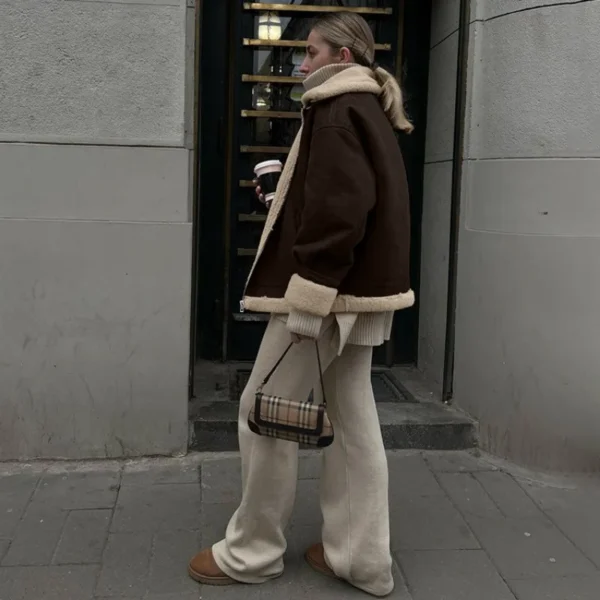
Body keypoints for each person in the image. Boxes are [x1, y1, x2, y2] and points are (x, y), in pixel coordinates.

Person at [188, 11, 414, 598]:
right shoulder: (364, 107)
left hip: (325, 298)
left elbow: (339, 215)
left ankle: (252, 552)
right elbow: (345, 207)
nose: (300, 62)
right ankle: (360, 559)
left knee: (260, 412)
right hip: (353, 295)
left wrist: (309, 297)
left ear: (343, 57)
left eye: (311, 51)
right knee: (353, 421)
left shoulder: (337, 110)